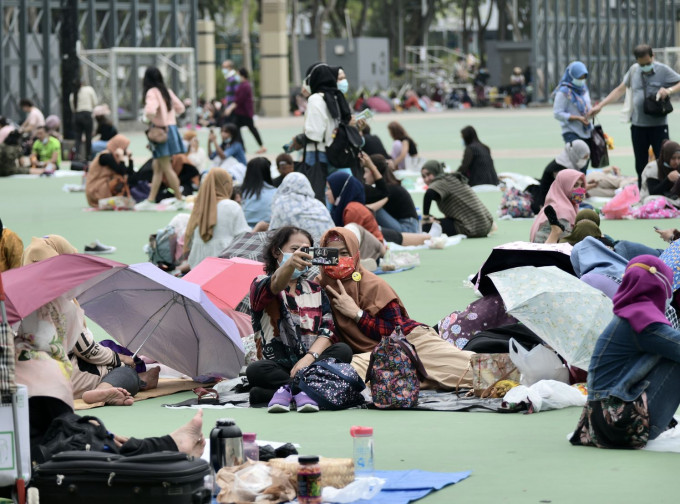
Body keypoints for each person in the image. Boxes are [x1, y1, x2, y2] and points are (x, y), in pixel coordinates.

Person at [318, 227, 474, 390]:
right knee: (345, 374)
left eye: (344, 253)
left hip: (411, 342)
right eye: (332, 254)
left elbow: (396, 330)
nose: (338, 260)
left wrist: (357, 314)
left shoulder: (372, 285)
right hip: (371, 355)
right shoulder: (318, 286)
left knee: (473, 370)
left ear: (356, 254)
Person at [570, 255, 680, 449]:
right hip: (618, 422)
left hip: (600, 421)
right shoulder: (644, 321)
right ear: (657, 286)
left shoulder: (632, 314)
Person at [246, 227, 353, 411]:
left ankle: (282, 391)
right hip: (277, 366)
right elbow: (276, 283)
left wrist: (309, 358)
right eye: (295, 250)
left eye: (306, 251)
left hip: (312, 363)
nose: (301, 255)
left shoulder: (316, 289)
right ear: (276, 251)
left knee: (343, 350)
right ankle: (309, 390)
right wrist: (289, 265)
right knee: (255, 370)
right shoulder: (260, 283)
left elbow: (327, 331)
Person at [590, 44, 680, 187]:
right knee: (640, 163)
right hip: (638, 126)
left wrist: (668, 90)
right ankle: (642, 190)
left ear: (653, 57)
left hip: (659, 125)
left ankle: (667, 189)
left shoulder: (663, 70)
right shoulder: (633, 71)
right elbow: (620, 90)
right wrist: (601, 105)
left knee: (664, 161)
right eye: (642, 64)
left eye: (648, 63)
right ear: (637, 61)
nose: (645, 66)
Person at [135, 66, 186, 211]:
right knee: (157, 166)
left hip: (160, 132)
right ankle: (151, 200)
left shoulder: (152, 92)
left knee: (165, 167)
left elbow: (150, 110)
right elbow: (180, 108)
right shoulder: (166, 91)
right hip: (172, 129)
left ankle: (179, 199)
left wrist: (146, 118)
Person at [184, 169, 250, 269]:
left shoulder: (199, 206)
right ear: (226, 185)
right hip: (223, 266)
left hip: (197, 267)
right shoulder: (231, 206)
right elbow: (243, 238)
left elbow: (190, 238)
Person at [420, 160, 494, 238]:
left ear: (435, 171)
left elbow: (429, 194)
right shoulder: (450, 178)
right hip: (486, 224)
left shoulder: (441, 181)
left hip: (472, 227)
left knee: (426, 226)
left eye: (428, 174)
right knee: (434, 221)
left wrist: (426, 217)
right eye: (423, 176)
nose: (426, 179)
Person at [303, 62, 352, 170]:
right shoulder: (336, 96)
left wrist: (301, 138)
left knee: (317, 185)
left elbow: (314, 134)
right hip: (336, 151)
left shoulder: (315, 99)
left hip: (318, 152)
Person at [269, 172, 335, 244]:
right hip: (328, 248)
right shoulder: (318, 204)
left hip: (305, 250)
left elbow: (273, 233)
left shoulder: (282, 203)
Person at [364, 154, 420, 233]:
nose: (364, 176)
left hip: (408, 229)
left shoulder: (388, 189)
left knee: (375, 209)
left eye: (366, 172)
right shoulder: (390, 186)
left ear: (373, 172)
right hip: (407, 225)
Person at [531, 140, 591, 213]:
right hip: (548, 203)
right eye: (584, 158)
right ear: (576, 154)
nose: (585, 161)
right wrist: (585, 189)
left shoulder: (567, 161)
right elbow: (571, 195)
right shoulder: (561, 169)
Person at [529, 169, 586, 243]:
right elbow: (565, 246)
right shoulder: (562, 213)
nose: (580, 190)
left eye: (582, 185)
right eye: (575, 185)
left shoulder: (553, 205)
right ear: (564, 186)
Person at [225, 68, 266, 154]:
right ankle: (242, 147)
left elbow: (239, 100)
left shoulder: (245, 86)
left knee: (251, 129)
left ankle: (260, 146)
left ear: (242, 75)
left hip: (245, 113)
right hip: (241, 113)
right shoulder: (243, 85)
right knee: (237, 128)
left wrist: (230, 108)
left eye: (238, 74)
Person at [85, 134, 133, 207]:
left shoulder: (113, 157)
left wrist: (130, 160)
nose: (125, 150)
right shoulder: (105, 156)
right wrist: (122, 159)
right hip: (96, 190)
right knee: (119, 179)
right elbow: (121, 172)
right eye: (124, 148)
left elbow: (129, 173)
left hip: (102, 188)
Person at [553, 61, 592, 149]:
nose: (581, 80)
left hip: (587, 132)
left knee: (585, 159)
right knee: (577, 159)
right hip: (571, 132)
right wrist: (578, 118)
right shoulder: (564, 92)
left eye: (583, 77)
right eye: (579, 78)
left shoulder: (584, 89)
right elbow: (557, 113)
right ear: (572, 76)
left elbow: (588, 106)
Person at [240, 157, 277, 227]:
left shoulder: (241, 194)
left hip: (244, 234)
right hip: (270, 233)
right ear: (267, 172)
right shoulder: (276, 193)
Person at [70, 79, 98, 161]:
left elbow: (73, 108)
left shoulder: (72, 94)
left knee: (77, 137)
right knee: (88, 136)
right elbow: (95, 102)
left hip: (76, 116)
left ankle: (77, 155)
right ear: (82, 83)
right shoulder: (89, 89)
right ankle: (88, 156)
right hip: (87, 115)